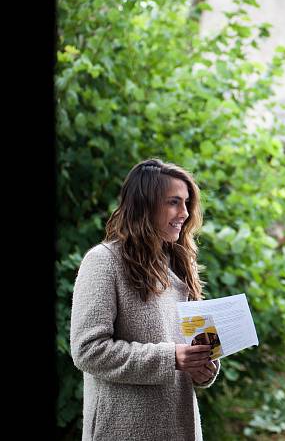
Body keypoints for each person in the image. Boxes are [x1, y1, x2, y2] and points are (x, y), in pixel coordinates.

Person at [70, 159, 220, 440]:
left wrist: (203, 367)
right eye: (174, 202)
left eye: (186, 203)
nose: (184, 213)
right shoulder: (103, 262)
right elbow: (88, 350)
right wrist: (171, 357)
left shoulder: (178, 263)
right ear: (145, 205)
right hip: (122, 430)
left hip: (180, 427)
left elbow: (191, 344)